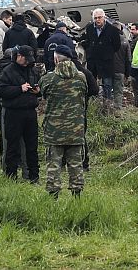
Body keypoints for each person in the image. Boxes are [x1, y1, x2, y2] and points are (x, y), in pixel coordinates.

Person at [40, 44, 88, 198]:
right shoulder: (81, 77)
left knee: (53, 165)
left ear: (56, 58)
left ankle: (53, 196)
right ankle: (77, 195)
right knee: (76, 165)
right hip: (76, 129)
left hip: (54, 130)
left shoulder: (48, 78)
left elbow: (43, 93)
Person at [0, 45, 40, 182]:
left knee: (32, 146)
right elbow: (1, 91)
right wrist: (19, 89)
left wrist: (38, 91)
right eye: (26, 59)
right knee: (12, 146)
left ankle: (33, 177)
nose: (28, 62)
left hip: (30, 112)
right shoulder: (7, 71)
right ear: (19, 56)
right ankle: (11, 176)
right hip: (13, 113)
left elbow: (40, 85)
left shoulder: (33, 71)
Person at [82, 9, 122, 107]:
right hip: (93, 61)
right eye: (95, 18)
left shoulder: (112, 30)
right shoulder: (90, 28)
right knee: (92, 84)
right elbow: (87, 42)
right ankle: (93, 105)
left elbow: (117, 45)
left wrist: (107, 52)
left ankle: (107, 105)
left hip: (106, 61)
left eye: (99, 17)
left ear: (104, 17)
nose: (97, 20)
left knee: (107, 85)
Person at [112, 22, 133, 111]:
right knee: (118, 92)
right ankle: (117, 110)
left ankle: (106, 110)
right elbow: (128, 59)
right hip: (120, 71)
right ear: (121, 30)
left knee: (106, 91)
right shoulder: (125, 42)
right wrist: (127, 74)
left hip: (107, 71)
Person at [127, 22, 138, 105]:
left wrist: (132, 71)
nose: (130, 31)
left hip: (137, 69)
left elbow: (132, 54)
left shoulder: (137, 40)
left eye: (133, 29)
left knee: (137, 90)